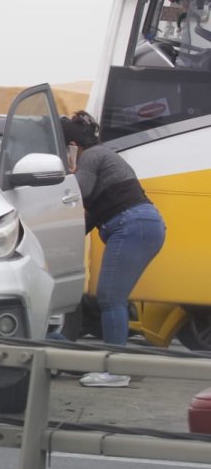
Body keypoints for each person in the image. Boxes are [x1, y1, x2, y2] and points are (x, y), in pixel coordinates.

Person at [63, 110, 166, 388]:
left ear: (73, 145)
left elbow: (75, 195)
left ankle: (116, 370)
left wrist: (59, 177)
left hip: (131, 225)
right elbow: (89, 218)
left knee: (110, 297)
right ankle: (123, 363)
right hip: (142, 225)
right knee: (113, 297)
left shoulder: (93, 156)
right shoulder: (103, 157)